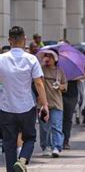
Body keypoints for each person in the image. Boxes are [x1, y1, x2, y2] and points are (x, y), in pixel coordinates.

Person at [0, 26, 49, 172]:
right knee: (30, 138)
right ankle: (22, 160)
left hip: (6, 107)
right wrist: (45, 104)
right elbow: (39, 83)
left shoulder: (1, 59)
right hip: (26, 106)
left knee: (9, 143)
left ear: (9, 40)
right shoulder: (31, 59)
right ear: (25, 39)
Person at [37, 50, 67, 158]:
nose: (47, 58)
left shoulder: (60, 71)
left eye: (50, 56)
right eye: (46, 56)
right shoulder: (40, 70)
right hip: (42, 104)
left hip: (57, 103)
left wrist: (60, 86)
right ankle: (46, 146)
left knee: (56, 126)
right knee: (44, 128)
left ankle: (56, 147)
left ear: (55, 59)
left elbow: (65, 86)